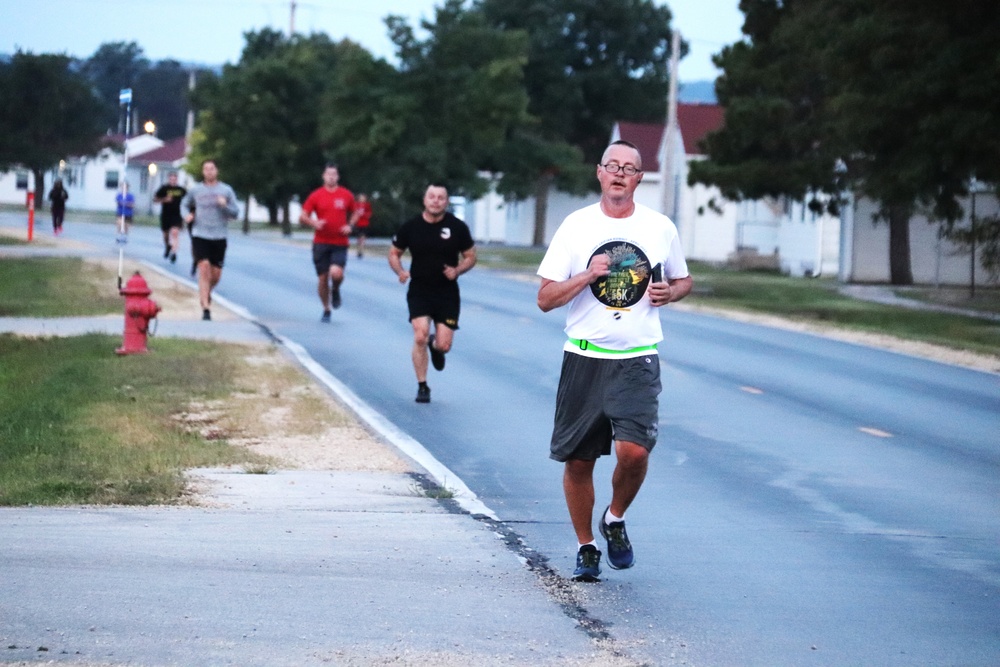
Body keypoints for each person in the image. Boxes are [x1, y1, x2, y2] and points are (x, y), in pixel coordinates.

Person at [536, 140, 693, 582]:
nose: (620, 173)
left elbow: (683, 280)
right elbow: (545, 299)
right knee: (579, 461)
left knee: (635, 451)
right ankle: (587, 546)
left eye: (630, 168)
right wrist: (588, 274)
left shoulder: (660, 227)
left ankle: (615, 518)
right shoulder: (576, 226)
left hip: (637, 358)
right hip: (584, 357)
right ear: (600, 173)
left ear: (639, 179)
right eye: (612, 166)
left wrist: (671, 292)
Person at [388, 184, 477, 404]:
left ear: (446, 202)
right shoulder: (411, 227)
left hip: (447, 293)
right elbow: (394, 253)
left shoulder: (457, 227)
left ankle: (435, 346)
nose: (436, 201)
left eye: (440, 198)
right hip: (419, 289)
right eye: (432, 197)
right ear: (424, 200)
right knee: (419, 334)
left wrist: (457, 270)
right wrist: (400, 271)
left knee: (444, 345)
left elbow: (471, 256)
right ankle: (423, 386)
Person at [299, 164, 362, 322]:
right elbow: (303, 216)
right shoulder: (316, 195)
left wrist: (350, 225)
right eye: (329, 174)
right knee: (322, 278)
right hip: (321, 242)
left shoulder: (346, 195)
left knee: (336, 273)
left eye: (334, 174)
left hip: (340, 241)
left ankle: (336, 289)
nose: (331, 177)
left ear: (338, 177)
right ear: (324, 176)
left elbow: (355, 212)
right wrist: (314, 223)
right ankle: (326, 309)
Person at [181, 159, 240, 321]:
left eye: (212, 169)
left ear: (217, 171)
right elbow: (184, 204)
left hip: (219, 236)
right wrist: (186, 215)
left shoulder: (226, 190)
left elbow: (235, 212)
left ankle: (207, 292)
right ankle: (205, 307)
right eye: (206, 169)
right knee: (204, 267)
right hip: (200, 235)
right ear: (202, 172)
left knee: (216, 275)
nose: (209, 172)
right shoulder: (196, 190)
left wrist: (224, 206)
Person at [153, 171, 187, 264]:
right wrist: (164, 199)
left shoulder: (180, 189)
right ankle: (168, 246)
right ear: (169, 179)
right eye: (171, 179)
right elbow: (155, 199)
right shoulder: (164, 188)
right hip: (165, 215)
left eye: (174, 179)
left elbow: (188, 198)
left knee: (175, 233)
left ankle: (174, 253)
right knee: (166, 235)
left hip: (176, 215)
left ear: (177, 179)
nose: (173, 180)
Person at [353, 193, 372, 258]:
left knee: (363, 237)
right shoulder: (356, 204)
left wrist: (364, 214)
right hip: (358, 223)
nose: (362, 199)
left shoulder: (367, 205)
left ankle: (361, 251)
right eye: (361, 198)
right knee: (358, 238)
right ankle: (358, 250)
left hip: (365, 223)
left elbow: (369, 214)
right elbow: (354, 212)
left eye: (363, 198)